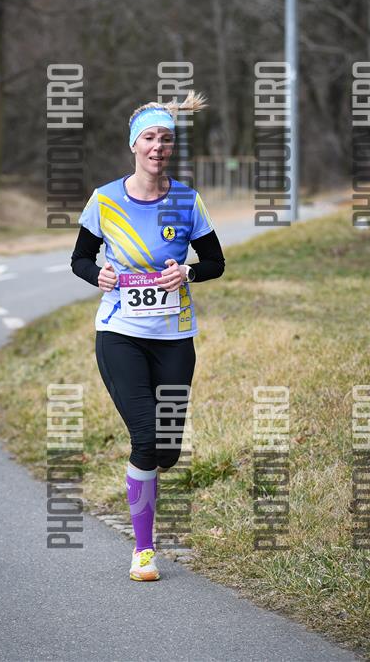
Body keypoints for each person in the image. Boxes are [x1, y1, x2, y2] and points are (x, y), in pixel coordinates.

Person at [71, 91, 225, 581]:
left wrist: (189, 273)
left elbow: (216, 262)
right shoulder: (105, 199)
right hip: (120, 333)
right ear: (134, 145)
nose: (158, 147)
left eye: (166, 139)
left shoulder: (186, 200)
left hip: (175, 336)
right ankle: (143, 551)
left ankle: (152, 477)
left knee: (167, 451)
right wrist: (98, 275)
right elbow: (79, 259)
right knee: (145, 437)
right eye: (150, 138)